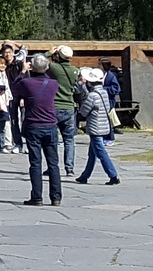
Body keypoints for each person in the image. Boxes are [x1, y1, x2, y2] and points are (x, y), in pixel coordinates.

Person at [14, 53, 63, 206]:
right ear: (46, 67)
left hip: (33, 125)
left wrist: (22, 72)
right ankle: (56, 197)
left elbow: (14, 89)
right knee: (53, 163)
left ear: (32, 67)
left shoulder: (27, 83)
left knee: (35, 163)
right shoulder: (53, 84)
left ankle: (37, 197)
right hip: (50, 125)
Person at [73, 67, 120, 185]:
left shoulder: (93, 95)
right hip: (103, 125)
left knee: (100, 153)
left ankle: (113, 175)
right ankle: (85, 176)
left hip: (95, 127)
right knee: (92, 153)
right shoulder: (104, 92)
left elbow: (84, 111)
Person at [48, 44, 81, 174]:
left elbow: (39, 60)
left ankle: (53, 167)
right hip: (69, 107)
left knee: (53, 139)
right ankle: (69, 168)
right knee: (69, 139)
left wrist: (49, 53)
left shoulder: (54, 68)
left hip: (55, 106)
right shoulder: (75, 70)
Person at [3, 43, 27, 154]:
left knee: (25, 120)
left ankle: (27, 142)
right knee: (13, 120)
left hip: (21, 95)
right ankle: (17, 143)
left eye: (9, 52)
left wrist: (23, 97)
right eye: (5, 52)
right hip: (10, 95)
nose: (7, 54)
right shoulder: (2, 65)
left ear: (13, 53)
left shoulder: (19, 64)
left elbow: (25, 81)